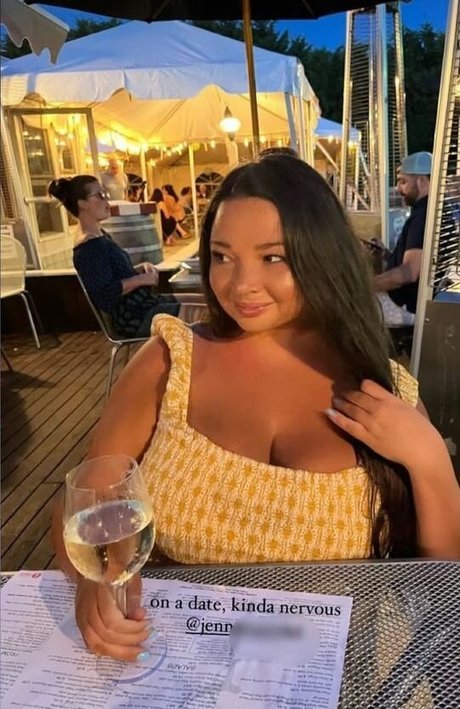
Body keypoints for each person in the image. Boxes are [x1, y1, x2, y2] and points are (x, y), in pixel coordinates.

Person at [52, 151, 460, 662]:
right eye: (222, 256)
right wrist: (92, 581)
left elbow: (442, 577)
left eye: (273, 258)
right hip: (172, 658)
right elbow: (86, 499)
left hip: (328, 667)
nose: (241, 284)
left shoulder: (383, 387)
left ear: (322, 256)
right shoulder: (170, 360)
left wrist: (429, 458)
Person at [48, 176, 183, 337]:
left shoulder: (100, 236)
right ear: (82, 204)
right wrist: (141, 280)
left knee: (204, 304)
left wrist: (139, 269)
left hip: (145, 304)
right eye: (100, 195)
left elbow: (113, 276)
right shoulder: (89, 247)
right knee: (200, 314)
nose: (107, 201)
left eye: (106, 194)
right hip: (134, 317)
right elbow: (104, 295)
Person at [373, 151, 432, 326]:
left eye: (403, 182)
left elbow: (409, 273)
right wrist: (385, 254)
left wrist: (363, 286)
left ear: (422, 181)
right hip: (410, 301)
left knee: (341, 306)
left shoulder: (422, 217)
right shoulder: (431, 210)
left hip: (402, 305)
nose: (398, 189)